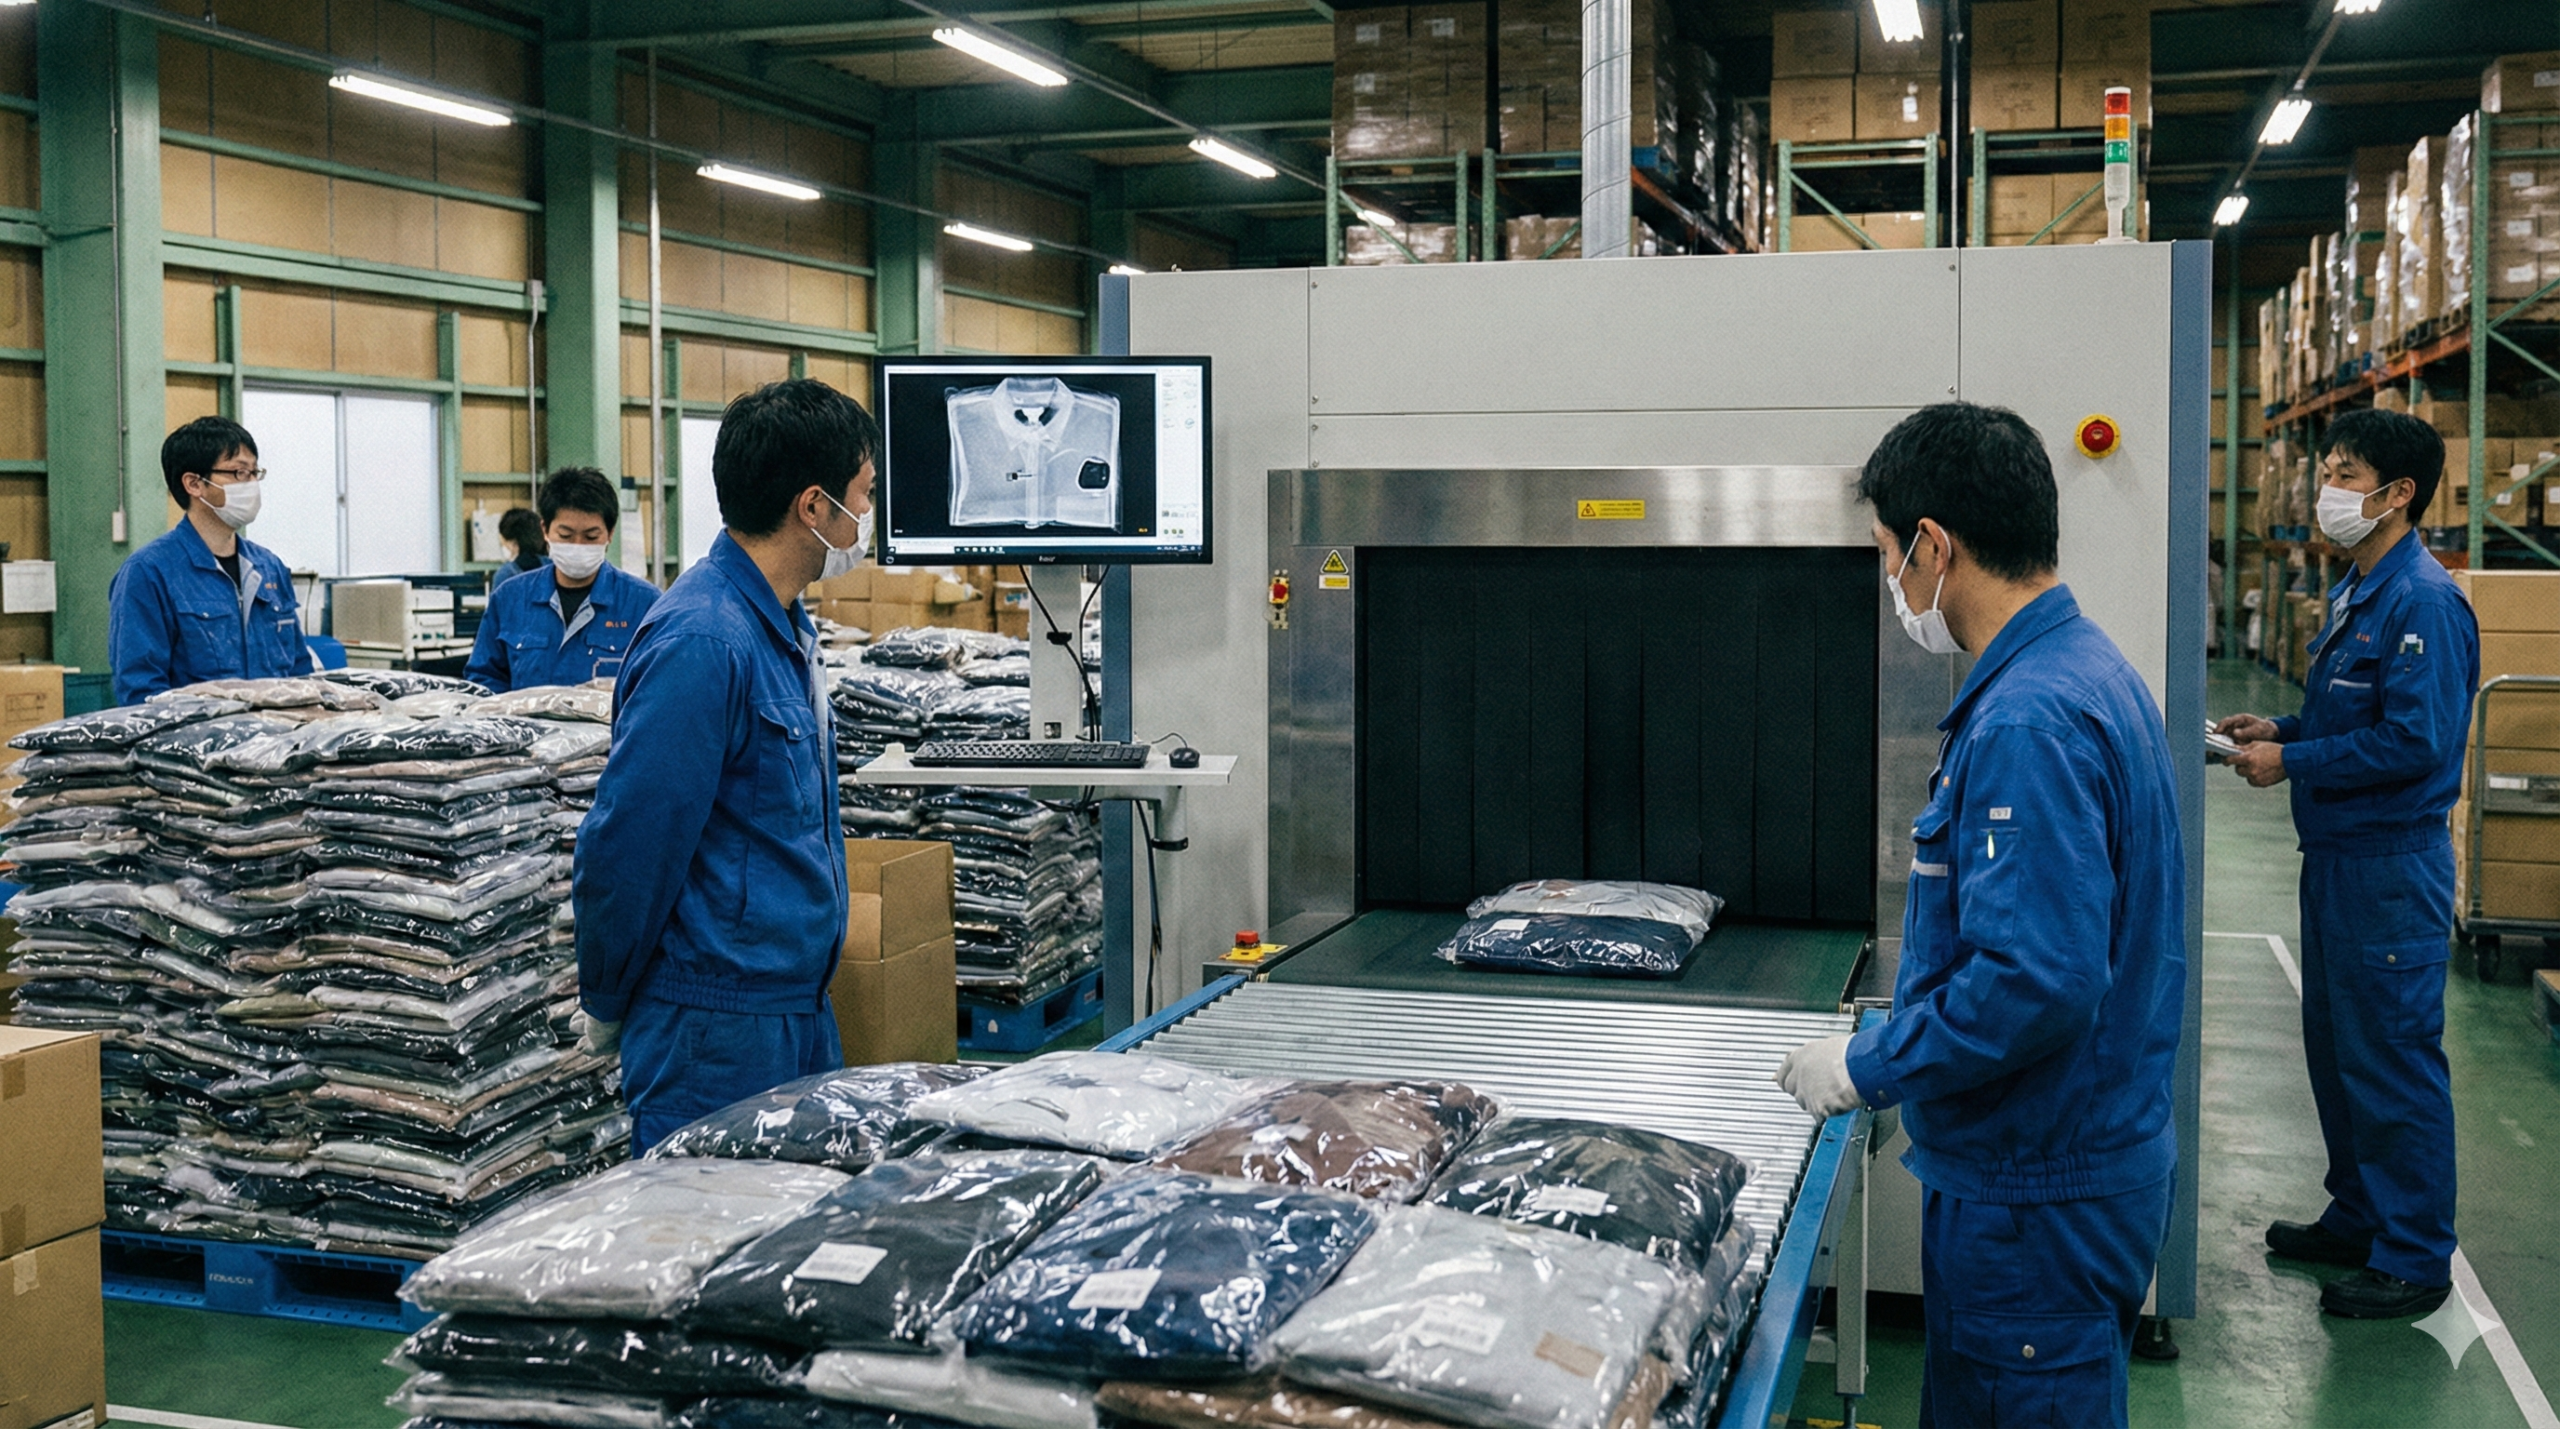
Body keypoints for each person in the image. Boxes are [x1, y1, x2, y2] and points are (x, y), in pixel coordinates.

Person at [1776, 403, 2184, 1429]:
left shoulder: (2027, 720)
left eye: (1887, 552)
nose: (1890, 580)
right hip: (2070, 1164)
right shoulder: (2087, 670)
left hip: (2035, 1197)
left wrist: (1868, 1065)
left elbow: (2036, 980)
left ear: (1934, 545)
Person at [2215, 408, 2475, 1320]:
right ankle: (2359, 1215)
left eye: (2346, 473)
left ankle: (2414, 1256)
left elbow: (2416, 741)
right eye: (2327, 468)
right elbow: (2349, 715)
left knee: (2392, 1058)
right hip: (2334, 857)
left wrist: (2293, 760)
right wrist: (2278, 727)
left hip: (2388, 867)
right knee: (2338, 1051)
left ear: (2398, 493)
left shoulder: (2424, 601)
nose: (2328, 488)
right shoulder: (2359, 589)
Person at [572, 379, 876, 1152]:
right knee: (707, 1224)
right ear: (814, 507)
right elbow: (632, 840)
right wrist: (607, 994)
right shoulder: (704, 641)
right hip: (714, 1027)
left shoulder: (781, 625)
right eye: (864, 496)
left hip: (794, 1006)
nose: (867, 516)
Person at [108, 416, 314, 706]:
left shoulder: (270, 567)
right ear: (194, 484)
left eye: (254, 473)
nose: (251, 484)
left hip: (277, 731)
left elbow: (300, 675)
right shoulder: (148, 573)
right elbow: (141, 692)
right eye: (239, 472)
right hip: (196, 734)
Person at [465, 468, 659, 693]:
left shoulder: (645, 604)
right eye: (565, 536)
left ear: (610, 533)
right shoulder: (509, 599)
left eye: (591, 537)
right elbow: (484, 679)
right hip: (525, 718)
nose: (577, 545)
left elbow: (658, 685)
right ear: (545, 530)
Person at [495, 507, 547, 587]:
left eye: (503, 543)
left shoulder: (505, 574)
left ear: (513, 543)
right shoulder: (550, 566)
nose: (503, 546)